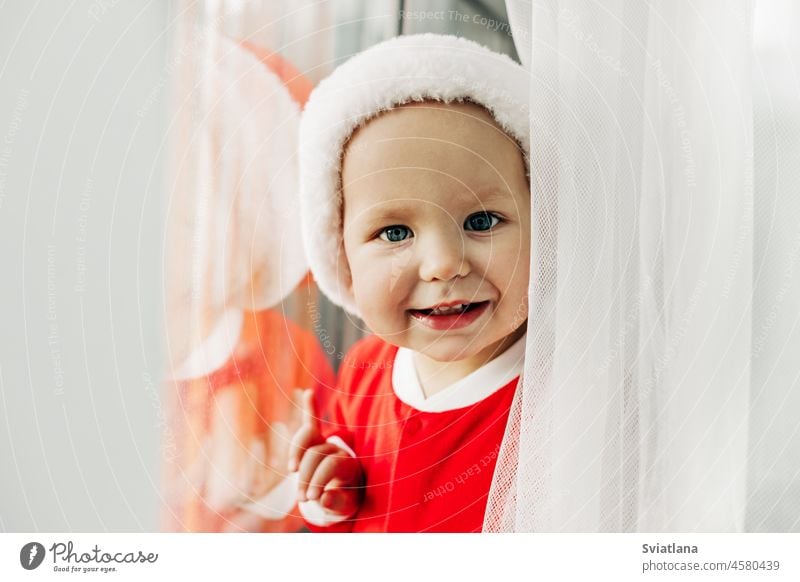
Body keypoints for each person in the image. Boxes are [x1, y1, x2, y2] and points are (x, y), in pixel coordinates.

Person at [289, 33, 530, 532]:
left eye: (482, 221)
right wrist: (332, 495)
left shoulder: (563, 396)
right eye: (395, 232)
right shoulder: (362, 373)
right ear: (341, 255)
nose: (443, 264)